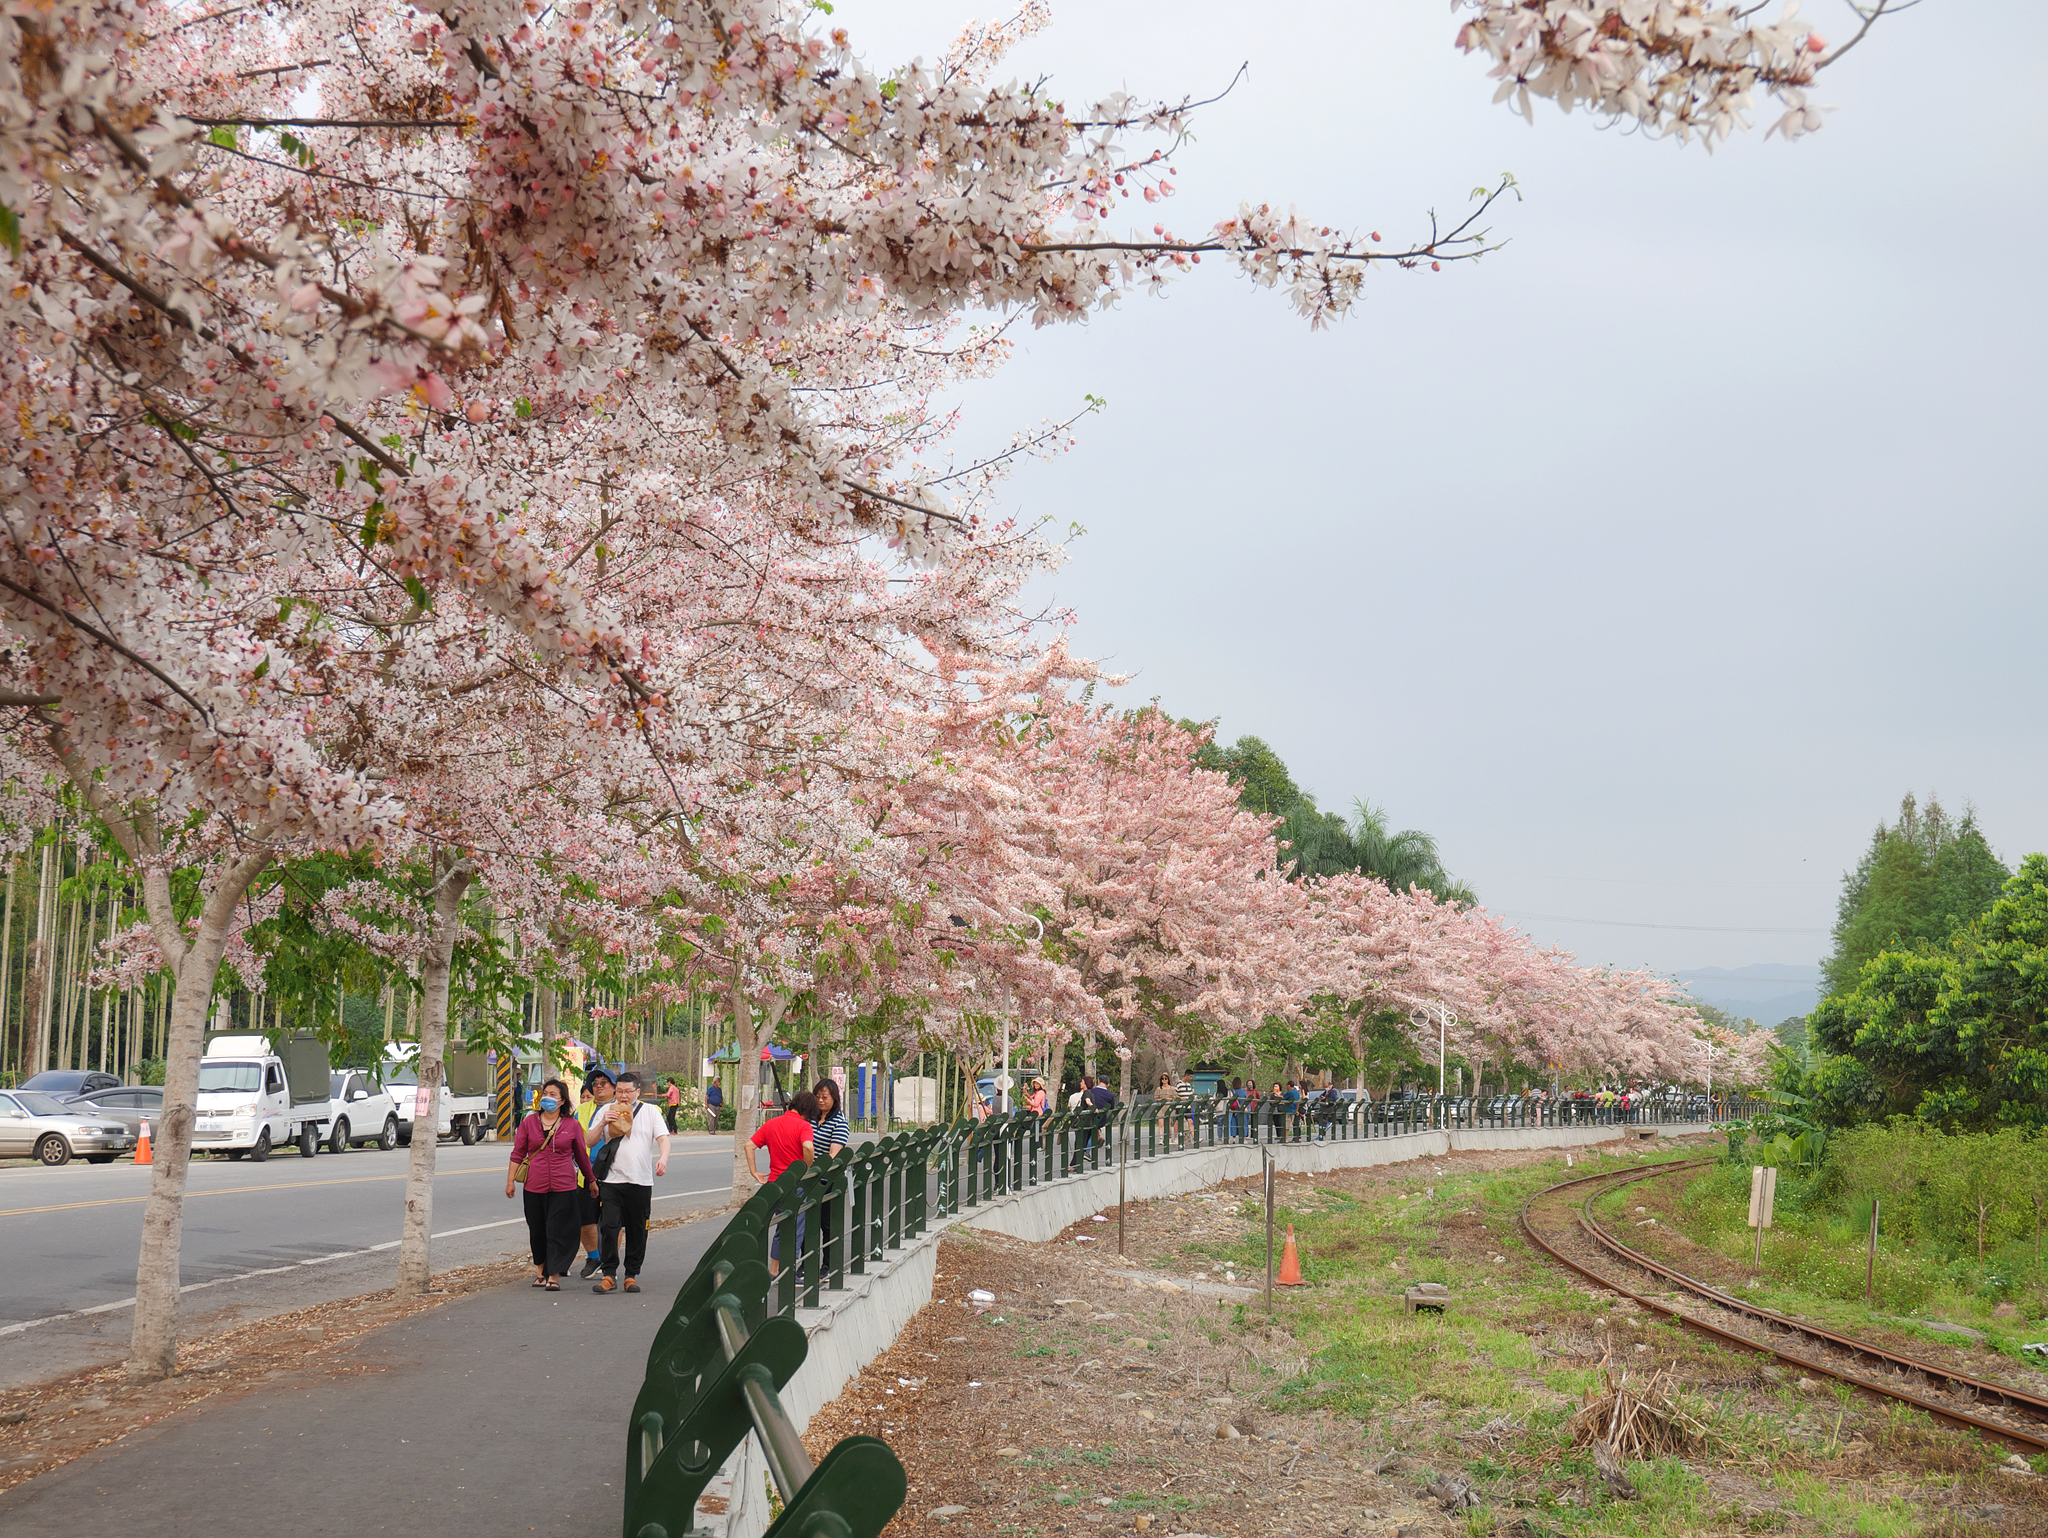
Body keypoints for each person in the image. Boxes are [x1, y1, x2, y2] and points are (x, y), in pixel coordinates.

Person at [505, 1077, 597, 1291]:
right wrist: (510, 1181)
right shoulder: (529, 1123)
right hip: (534, 1185)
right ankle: (541, 1271)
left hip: (563, 1186)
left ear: (562, 1100)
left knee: (558, 1230)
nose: (547, 1097)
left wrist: (591, 1180)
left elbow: (581, 1156)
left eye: (553, 1095)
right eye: (545, 1093)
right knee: (537, 1230)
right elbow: (518, 1153)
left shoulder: (571, 1125)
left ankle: (554, 1275)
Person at [589, 1071, 671, 1294]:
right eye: (619, 1091)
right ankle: (609, 1274)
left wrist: (663, 1159)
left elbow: (663, 1139)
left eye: (628, 1091)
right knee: (609, 1227)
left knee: (637, 1230)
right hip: (611, 1181)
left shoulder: (650, 1112)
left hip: (640, 1181)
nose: (623, 1096)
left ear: (638, 1091)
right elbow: (589, 1140)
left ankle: (631, 1275)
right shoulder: (606, 1110)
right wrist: (603, 1122)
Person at [750, 1089, 819, 1277]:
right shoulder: (803, 1126)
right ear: (808, 1110)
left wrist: (754, 1172)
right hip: (795, 1186)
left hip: (775, 1185)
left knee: (781, 1226)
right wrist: (806, 1167)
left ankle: (774, 1269)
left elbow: (749, 1146)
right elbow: (808, 1146)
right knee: (795, 1229)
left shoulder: (772, 1124)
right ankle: (789, 1272)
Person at [574, 1067, 616, 1279]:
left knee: (612, 1223)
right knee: (585, 1221)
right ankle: (594, 1257)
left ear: (614, 1087)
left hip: (615, 1174)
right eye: (595, 1084)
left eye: (603, 1083)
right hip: (586, 1174)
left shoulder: (623, 1108)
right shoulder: (582, 1110)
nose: (599, 1087)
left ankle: (610, 1264)